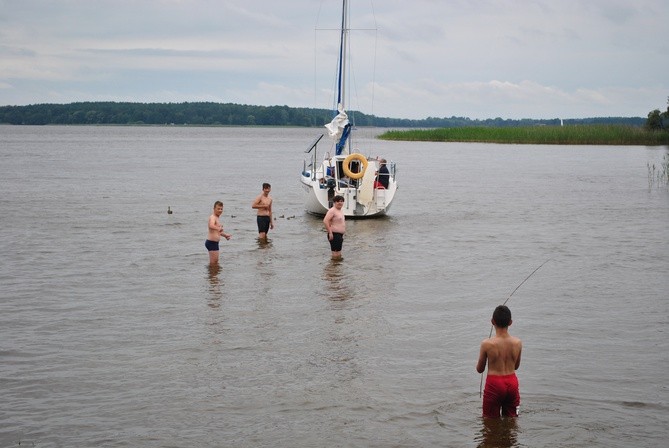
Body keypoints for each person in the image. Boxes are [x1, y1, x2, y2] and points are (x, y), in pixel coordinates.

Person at [476, 305, 522, 418]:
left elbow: (480, 369)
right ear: (510, 322)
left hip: (494, 384)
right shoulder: (518, 342)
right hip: (512, 383)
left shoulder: (487, 344)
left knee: (489, 421)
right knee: (512, 419)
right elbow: (516, 366)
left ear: (492, 321)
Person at [205, 200, 232, 265]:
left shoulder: (217, 218)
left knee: (215, 263)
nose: (220, 210)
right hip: (211, 243)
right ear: (214, 209)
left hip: (214, 243)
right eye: (218, 209)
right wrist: (218, 228)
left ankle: (213, 274)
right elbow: (211, 225)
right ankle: (212, 275)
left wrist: (225, 235)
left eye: (221, 209)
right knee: (213, 263)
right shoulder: (212, 217)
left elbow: (217, 231)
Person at [323, 195, 346, 259]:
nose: (340, 203)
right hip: (334, 234)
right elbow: (325, 221)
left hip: (339, 235)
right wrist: (330, 233)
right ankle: (333, 267)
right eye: (338, 201)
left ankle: (337, 268)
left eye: (341, 201)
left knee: (338, 254)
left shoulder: (340, 211)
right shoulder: (332, 211)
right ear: (334, 202)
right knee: (336, 254)